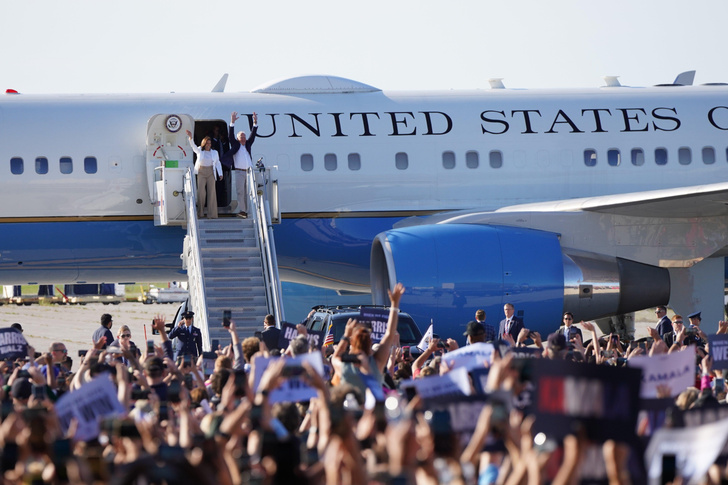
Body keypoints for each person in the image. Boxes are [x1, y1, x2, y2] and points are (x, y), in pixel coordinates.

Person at [221, 111, 258, 218]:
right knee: (241, 192)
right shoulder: (235, 144)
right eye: (241, 137)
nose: (243, 138)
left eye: (244, 137)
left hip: (249, 172)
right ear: (238, 139)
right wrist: (232, 123)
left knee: (249, 192)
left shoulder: (248, 144)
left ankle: (249, 210)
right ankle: (243, 210)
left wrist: (255, 123)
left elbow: (253, 134)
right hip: (239, 171)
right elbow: (230, 135)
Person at [186, 130, 223, 219]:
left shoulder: (214, 152)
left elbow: (217, 163)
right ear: (204, 144)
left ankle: (212, 214)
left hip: (211, 172)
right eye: (207, 143)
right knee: (201, 193)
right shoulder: (199, 150)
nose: (208, 145)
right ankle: (200, 213)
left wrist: (220, 173)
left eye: (209, 143)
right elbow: (193, 147)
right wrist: (190, 138)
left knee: (212, 193)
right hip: (201, 172)